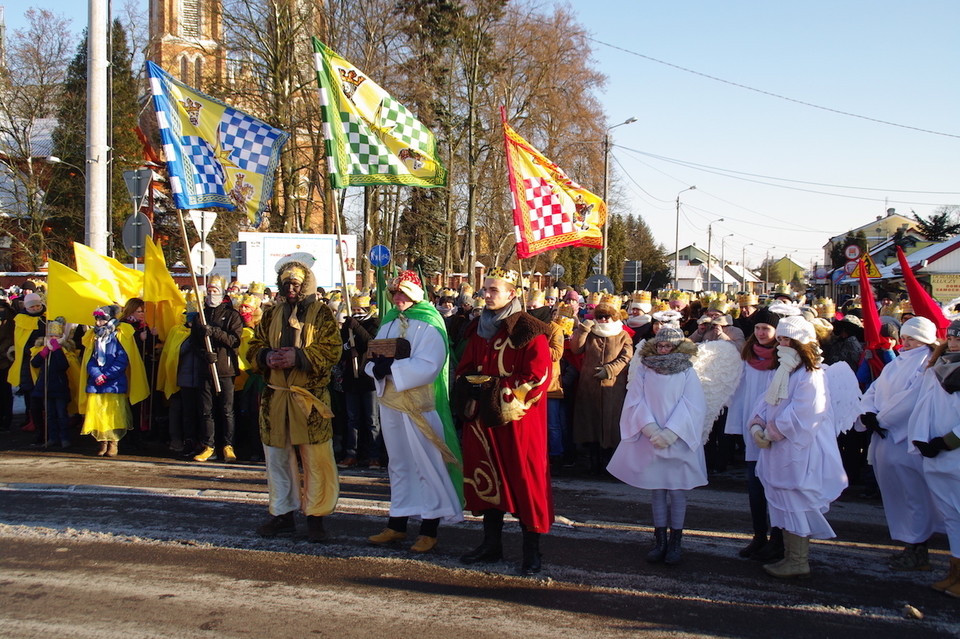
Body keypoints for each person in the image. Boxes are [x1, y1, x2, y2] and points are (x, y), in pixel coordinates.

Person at [455, 266, 554, 575]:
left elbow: (538, 377)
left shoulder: (529, 329)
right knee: (489, 478)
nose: (485, 295)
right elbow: (466, 366)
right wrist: (468, 384)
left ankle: (531, 550)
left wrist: (496, 389)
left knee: (524, 481)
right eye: (484, 290)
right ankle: (491, 544)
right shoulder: (477, 328)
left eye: (492, 290)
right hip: (483, 420)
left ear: (512, 294)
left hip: (517, 422)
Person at [364, 271, 464, 552]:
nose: (398, 298)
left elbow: (430, 363)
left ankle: (429, 527)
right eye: (394, 293)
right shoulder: (388, 322)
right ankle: (397, 523)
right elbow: (371, 357)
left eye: (403, 293)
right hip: (390, 403)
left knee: (425, 462)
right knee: (398, 463)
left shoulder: (430, 322)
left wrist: (392, 370)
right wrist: (375, 368)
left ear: (415, 294)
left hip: (419, 405)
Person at [247, 261, 342, 543]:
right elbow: (253, 345)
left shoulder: (322, 314)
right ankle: (282, 514)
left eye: (296, 284)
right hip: (276, 397)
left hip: (309, 400)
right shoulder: (270, 313)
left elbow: (332, 350)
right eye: (286, 284)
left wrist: (299, 357)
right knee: (277, 458)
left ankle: (316, 517)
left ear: (306, 285)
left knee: (316, 459)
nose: (290, 289)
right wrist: (265, 356)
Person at [748, 316, 847, 579]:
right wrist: (757, 423)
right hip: (778, 449)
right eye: (780, 338)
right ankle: (790, 556)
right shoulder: (786, 370)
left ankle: (798, 560)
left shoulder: (810, 374)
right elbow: (767, 401)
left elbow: (805, 412)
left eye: (787, 339)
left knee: (795, 501)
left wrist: (771, 432)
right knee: (781, 501)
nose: (781, 343)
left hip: (797, 450)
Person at [608, 326, 707, 565]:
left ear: (678, 347)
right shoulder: (645, 368)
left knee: (677, 490)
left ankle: (676, 542)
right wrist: (651, 429)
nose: (663, 350)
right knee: (658, 489)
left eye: (668, 346)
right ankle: (660, 540)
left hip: (678, 438)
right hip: (651, 436)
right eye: (660, 346)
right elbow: (636, 399)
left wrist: (672, 432)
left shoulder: (687, 371)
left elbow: (693, 404)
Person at [858, 316, 942, 571]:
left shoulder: (928, 364)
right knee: (896, 494)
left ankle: (919, 547)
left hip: (906, 439)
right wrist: (867, 413)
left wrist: (882, 419)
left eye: (911, 338)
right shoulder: (896, 362)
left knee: (914, 494)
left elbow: (912, 398)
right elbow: (875, 389)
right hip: (886, 439)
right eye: (904, 337)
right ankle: (909, 543)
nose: (905, 342)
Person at [907, 319, 960, 597]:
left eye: (959, 340)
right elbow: (925, 407)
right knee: (951, 516)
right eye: (951, 339)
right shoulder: (937, 368)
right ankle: (955, 570)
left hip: (954, 454)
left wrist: (948, 441)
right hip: (935, 455)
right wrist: (921, 437)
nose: (953, 344)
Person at [725, 307, 782, 561]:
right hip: (752, 429)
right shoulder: (748, 355)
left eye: (765, 329)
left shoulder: (784, 358)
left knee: (776, 487)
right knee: (755, 488)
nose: (760, 333)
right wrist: (737, 424)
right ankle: (759, 536)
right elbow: (739, 392)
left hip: (776, 431)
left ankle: (779, 539)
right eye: (757, 328)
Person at [570, 301, 633, 473]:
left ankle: (610, 463)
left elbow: (626, 357)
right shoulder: (591, 333)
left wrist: (610, 370)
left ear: (614, 317)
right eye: (600, 317)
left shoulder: (622, 334)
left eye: (607, 316)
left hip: (612, 387)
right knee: (590, 424)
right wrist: (583, 330)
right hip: (588, 387)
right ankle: (592, 462)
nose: (603, 320)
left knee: (611, 424)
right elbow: (576, 349)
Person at [78, 306, 149, 457]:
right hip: (96, 383)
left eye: (102, 319)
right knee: (99, 414)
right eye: (97, 319)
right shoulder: (93, 337)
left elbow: (122, 359)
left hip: (114, 383)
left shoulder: (119, 335)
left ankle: (113, 442)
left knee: (113, 414)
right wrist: (96, 374)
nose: (98, 323)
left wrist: (107, 375)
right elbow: (90, 358)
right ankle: (102, 442)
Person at [190, 276, 244, 462]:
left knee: (227, 410)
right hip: (206, 369)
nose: (212, 294)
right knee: (207, 409)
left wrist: (215, 332)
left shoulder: (232, 316)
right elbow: (194, 343)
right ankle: (208, 445)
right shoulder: (201, 316)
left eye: (215, 291)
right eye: (210, 291)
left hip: (226, 370)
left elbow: (235, 340)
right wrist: (205, 355)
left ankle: (228, 445)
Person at [337, 293, 381, 469]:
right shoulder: (346, 326)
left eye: (358, 310)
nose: (355, 313)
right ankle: (351, 453)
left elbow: (370, 343)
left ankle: (374, 456)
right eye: (353, 310)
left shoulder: (374, 323)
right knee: (352, 419)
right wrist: (348, 349)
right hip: (351, 378)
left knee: (372, 420)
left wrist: (356, 327)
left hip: (368, 378)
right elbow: (340, 348)